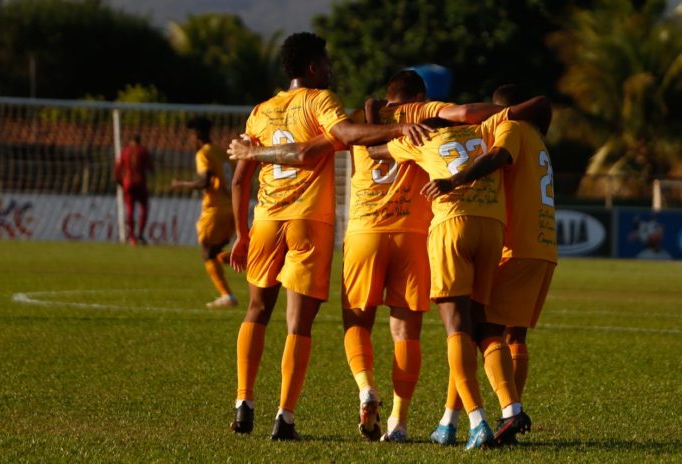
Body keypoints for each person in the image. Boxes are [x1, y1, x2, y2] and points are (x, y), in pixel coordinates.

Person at [227, 32, 432, 441]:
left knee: (255, 311)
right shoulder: (321, 101)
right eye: (326, 62)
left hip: (265, 217)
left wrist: (241, 233)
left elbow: (238, 180)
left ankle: (243, 402)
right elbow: (346, 137)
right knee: (298, 325)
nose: (331, 69)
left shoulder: (260, 111)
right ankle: (284, 416)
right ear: (311, 68)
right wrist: (394, 131)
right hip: (308, 221)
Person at [367, 96, 548, 449]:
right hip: (492, 231)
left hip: (453, 226)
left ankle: (477, 421)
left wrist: (376, 112)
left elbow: (375, 150)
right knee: (481, 327)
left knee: (456, 328)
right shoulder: (485, 131)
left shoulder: (423, 140)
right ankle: (482, 414)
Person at [422, 85, 556, 445]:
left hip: (517, 244)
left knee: (478, 331)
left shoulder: (510, 128)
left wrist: (454, 180)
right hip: (544, 246)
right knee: (512, 334)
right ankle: (482, 417)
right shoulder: (538, 139)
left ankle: (510, 411)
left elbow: (498, 156)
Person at [171, 116, 238, 309]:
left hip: (215, 209)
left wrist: (181, 184)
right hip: (231, 208)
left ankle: (227, 295)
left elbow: (205, 181)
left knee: (207, 251)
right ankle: (247, 264)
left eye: (190, 135)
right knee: (216, 252)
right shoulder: (222, 153)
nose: (190, 140)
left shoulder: (203, 154)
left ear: (196, 134)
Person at [115, 134, 153, 245]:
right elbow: (151, 167)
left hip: (128, 183)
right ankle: (140, 234)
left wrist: (119, 181)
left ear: (131, 141)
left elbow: (117, 167)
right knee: (144, 208)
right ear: (139, 141)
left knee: (130, 209)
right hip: (141, 183)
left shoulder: (125, 151)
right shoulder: (143, 151)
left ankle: (132, 237)